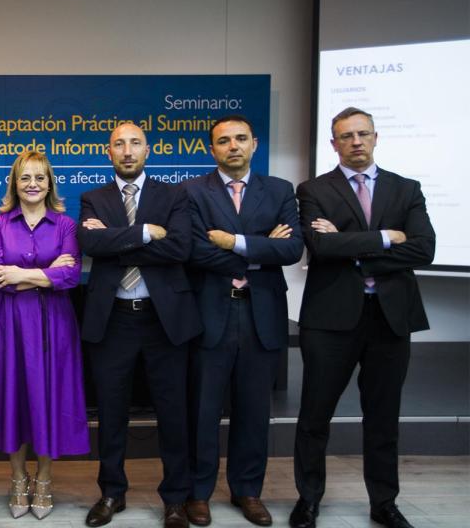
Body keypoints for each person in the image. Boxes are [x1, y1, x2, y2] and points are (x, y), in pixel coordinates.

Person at [290, 107, 435, 528]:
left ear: (375, 137)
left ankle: (384, 503)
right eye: (346, 136)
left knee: (384, 416)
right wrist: (387, 238)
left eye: (363, 134)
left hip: (390, 318)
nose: (355, 141)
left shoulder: (406, 189)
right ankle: (309, 500)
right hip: (330, 319)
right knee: (315, 415)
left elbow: (423, 249)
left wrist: (352, 247)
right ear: (333, 143)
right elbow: (321, 247)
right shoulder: (313, 189)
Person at [78, 122, 201, 528]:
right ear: (107, 152)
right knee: (112, 413)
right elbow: (90, 245)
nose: (127, 151)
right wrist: (146, 233)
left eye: (135, 143)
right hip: (113, 320)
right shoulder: (93, 198)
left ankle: (175, 500)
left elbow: (180, 247)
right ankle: (112, 493)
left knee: (173, 413)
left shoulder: (174, 194)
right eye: (119, 144)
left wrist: (119, 241)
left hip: (164, 320)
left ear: (148, 150)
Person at [182, 115, 303, 527]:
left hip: (261, 313)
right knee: (203, 410)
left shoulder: (280, 190)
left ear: (254, 144)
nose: (232, 146)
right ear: (210, 148)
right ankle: (198, 493)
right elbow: (195, 252)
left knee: (254, 411)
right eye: (223, 141)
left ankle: (247, 491)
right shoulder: (192, 192)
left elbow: (292, 250)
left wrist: (233, 242)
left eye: (240, 139)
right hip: (210, 313)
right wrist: (263, 245)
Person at [0, 150, 88, 520]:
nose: (32, 184)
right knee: (13, 396)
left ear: (49, 183)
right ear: (14, 184)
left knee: (49, 397)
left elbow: (71, 275)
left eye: (39, 177)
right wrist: (45, 273)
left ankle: (45, 478)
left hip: (54, 324)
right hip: (10, 323)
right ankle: (18, 477)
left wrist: (23, 274)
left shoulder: (66, 225)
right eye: (25, 177)